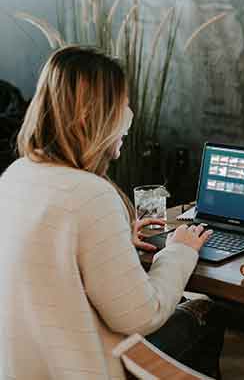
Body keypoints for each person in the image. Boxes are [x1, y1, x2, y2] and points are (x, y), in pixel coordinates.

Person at [0, 46, 224, 379]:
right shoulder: (92, 194)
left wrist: (117, 239)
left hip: (26, 367)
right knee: (206, 312)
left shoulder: (16, 175)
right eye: (122, 105)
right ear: (94, 116)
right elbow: (140, 316)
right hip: (83, 367)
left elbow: (51, 263)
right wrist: (178, 252)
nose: (129, 115)